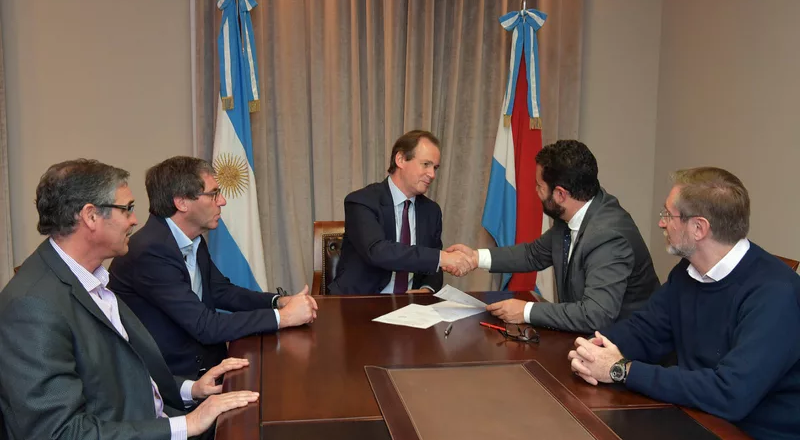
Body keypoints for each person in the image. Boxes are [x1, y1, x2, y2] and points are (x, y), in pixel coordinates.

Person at [0, 159, 259, 440]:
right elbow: (59, 433)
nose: (134, 220)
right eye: (127, 209)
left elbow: (118, 379)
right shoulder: (32, 307)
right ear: (90, 216)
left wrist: (191, 389)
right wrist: (188, 424)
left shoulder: (92, 278)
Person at [568, 167, 800, 440]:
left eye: (668, 215)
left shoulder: (776, 294)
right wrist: (592, 351)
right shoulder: (687, 273)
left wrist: (621, 370)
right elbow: (644, 331)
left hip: (749, 432)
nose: (661, 223)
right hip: (694, 414)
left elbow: (731, 395)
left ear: (699, 228)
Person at [109, 157, 317, 379]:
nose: (222, 201)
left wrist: (277, 301)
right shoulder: (149, 251)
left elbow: (220, 291)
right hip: (176, 383)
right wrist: (283, 317)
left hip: (212, 365)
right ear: (182, 202)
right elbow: (205, 326)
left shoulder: (192, 238)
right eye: (214, 194)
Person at [447, 140, 659, 333]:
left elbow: (595, 315)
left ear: (560, 194)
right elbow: (533, 254)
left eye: (539, 186)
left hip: (629, 349)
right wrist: (475, 258)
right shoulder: (572, 212)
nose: (536, 191)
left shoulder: (609, 237)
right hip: (589, 340)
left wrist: (526, 311)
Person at [328, 130, 472, 295]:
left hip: (410, 304)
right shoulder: (362, 201)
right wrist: (442, 257)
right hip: (359, 301)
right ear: (401, 159)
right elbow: (378, 251)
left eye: (435, 167)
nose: (432, 174)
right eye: (426, 164)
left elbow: (434, 266)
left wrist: (426, 289)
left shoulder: (432, 211)